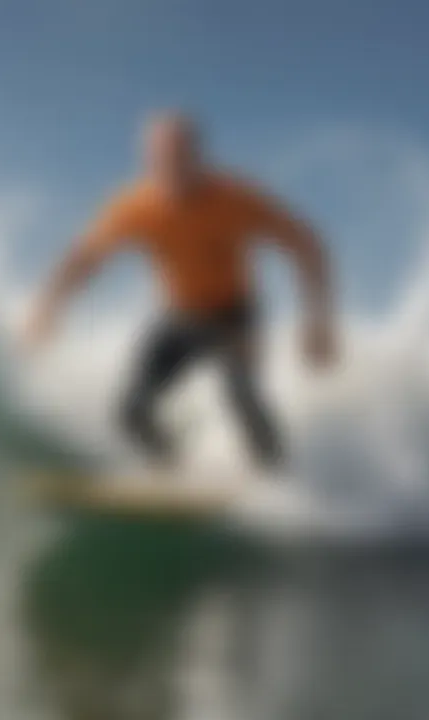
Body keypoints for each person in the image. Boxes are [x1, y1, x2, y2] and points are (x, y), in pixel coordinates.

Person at [27, 113, 337, 476]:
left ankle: (276, 473)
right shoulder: (135, 207)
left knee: (241, 397)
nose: (169, 165)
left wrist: (318, 322)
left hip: (233, 315)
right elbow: (85, 257)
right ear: (148, 159)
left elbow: (306, 245)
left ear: (197, 155)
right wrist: (49, 306)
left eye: (179, 154)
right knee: (131, 411)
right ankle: (174, 469)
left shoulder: (236, 198)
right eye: (159, 156)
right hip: (180, 316)